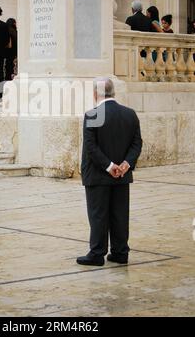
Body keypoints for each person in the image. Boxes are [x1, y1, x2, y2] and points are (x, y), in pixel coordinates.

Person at [77, 77, 142, 267]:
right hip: (122, 175)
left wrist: (109, 166)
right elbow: (137, 143)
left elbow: (91, 147)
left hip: (98, 175)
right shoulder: (130, 114)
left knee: (98, 215)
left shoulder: (93, 115)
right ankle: (120, 252)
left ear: (95, 94)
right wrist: (125, 165)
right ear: (114, 92)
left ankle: (97, 253)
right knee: (120, 214)